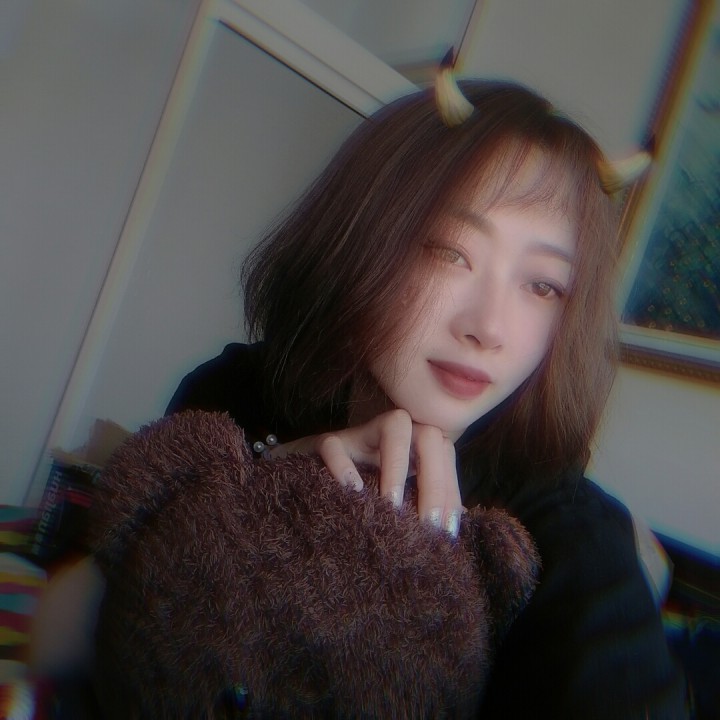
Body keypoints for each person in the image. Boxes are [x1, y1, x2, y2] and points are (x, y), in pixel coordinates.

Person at [166, 75, 686, 717]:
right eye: (449, 252)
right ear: (362, 236)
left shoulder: (570, 540)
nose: (488, 328)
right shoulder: (230, 396)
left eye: (543, 286)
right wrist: (268, 488)